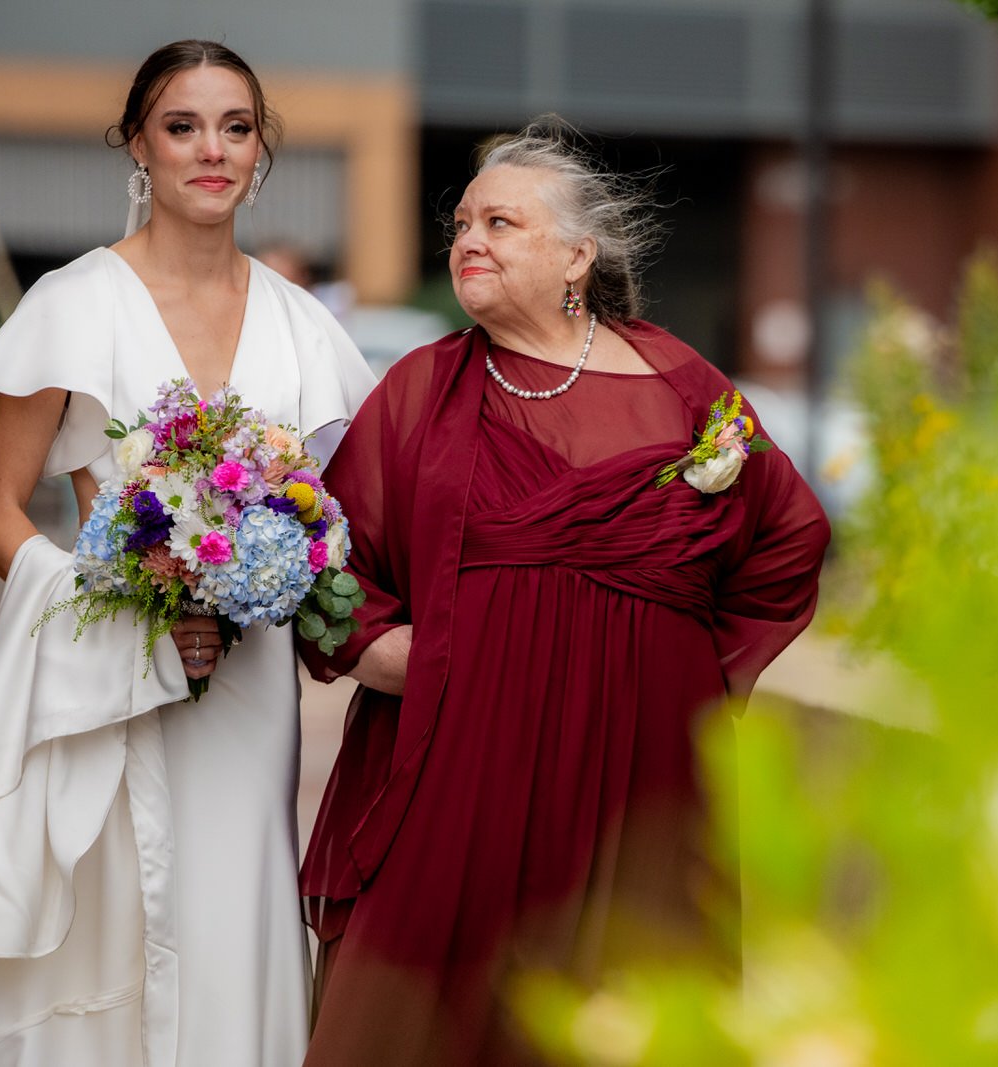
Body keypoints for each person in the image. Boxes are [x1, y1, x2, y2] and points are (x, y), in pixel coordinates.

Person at [299, 121, 830, 1064]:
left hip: (639, 771)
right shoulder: (423, 388)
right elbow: (326, 556)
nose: (468, 240)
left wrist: (696, 680)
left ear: (577, 254)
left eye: (500, 222)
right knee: (415, 998)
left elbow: (788, 534)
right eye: (461, 222)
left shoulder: (683, 387)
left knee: (623, 994)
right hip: (463, 755)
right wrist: (377, 651)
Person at [0, 40, 377, 1066]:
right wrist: (120, 605)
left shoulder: (308, 330)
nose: (211, 151)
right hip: (109, 685)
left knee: (232, 921)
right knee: (115, 935)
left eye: (236, 127)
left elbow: (337, 520)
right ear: (138, 143)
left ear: (261, 151)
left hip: (250, 698)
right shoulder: (72, 305)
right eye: (183, 126)